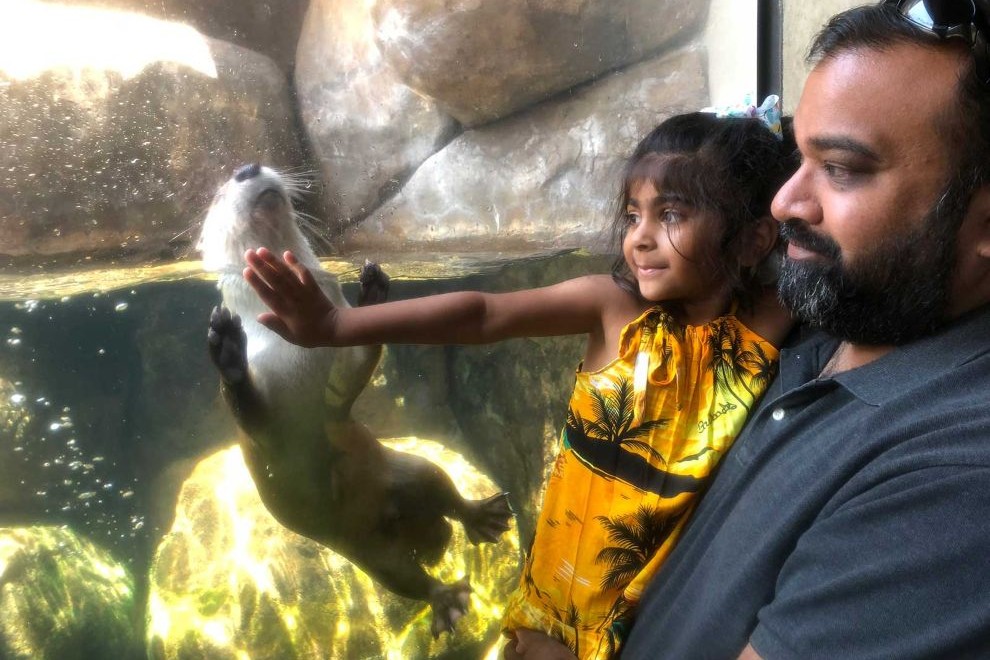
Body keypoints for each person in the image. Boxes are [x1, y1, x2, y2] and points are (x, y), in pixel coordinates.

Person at [240, 110, 797, 658]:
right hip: (556, 606)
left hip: (656, 624)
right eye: (633, 216)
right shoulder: (614, 310)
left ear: (752, 240)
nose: (640, 238)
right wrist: (338, 326)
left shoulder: (765, 322)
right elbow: (483, 315)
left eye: (670, 215)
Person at [619, 2, 990, 658]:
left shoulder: (959, 473)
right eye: (800, 156)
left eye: (842, 168)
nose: (785, 202)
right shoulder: (833, 322)